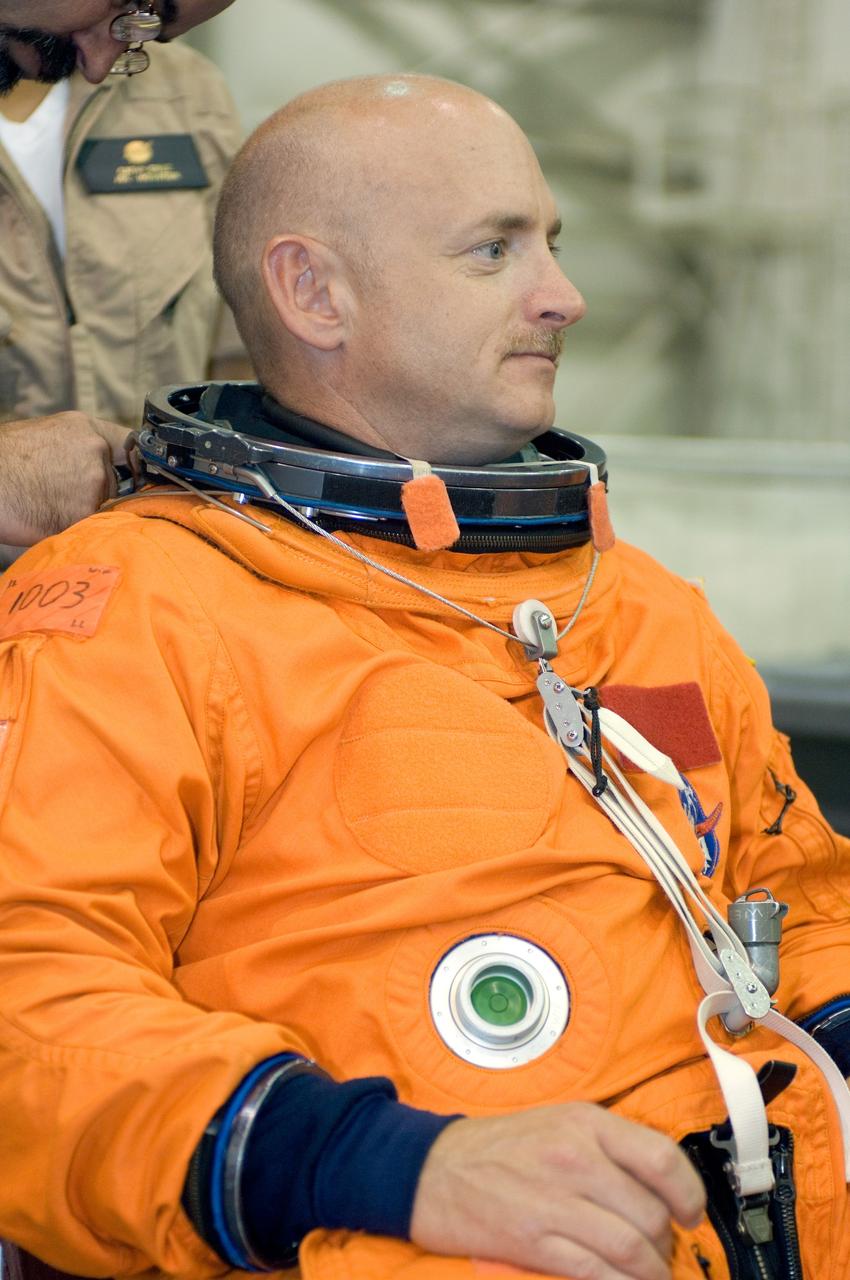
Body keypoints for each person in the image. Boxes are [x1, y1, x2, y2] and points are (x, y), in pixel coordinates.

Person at [0, 74, 848, 1280]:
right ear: (314, 292)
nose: (564, 297)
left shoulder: (640, 604)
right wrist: (392, 1164)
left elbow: (796, 902)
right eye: (492, 250)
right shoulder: (139, 608)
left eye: (553, 243)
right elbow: (28, 1000)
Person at [0, 0, 242, 551]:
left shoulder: (188, 96)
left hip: (140, 573)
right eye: (133, 5)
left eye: (145, 33)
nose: (101, 60)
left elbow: (235, 345)